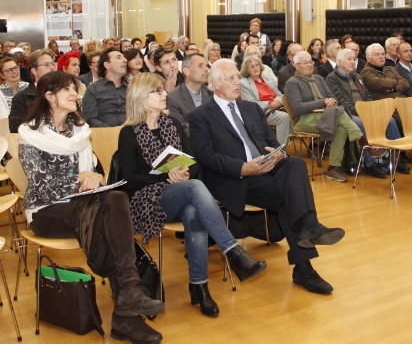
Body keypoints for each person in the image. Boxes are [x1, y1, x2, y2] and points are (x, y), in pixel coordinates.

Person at [17, 71, 164, 343]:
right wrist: (80, 178)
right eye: (67, 90)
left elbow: (95, 171)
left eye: (74, 88)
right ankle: (127, 311)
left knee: (115, 199)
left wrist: (93, 176)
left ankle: (129, 296)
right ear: (49, 96)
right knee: (105, 217)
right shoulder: (30, 134)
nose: (75, 93)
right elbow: (42, 187)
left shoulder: (79, 130)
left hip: (83, 206)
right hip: (46, 211)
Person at [188, 59, 345, 295]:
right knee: (289, 197)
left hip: (266, 168)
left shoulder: (250, 108)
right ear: (215, 84)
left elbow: (272, 142)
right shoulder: (201, 116)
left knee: (295, 163)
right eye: (230, 78)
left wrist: (278, 154)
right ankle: (305, 262)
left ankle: (309, 231)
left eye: (237, 77)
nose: (237, 82)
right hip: (236, 178)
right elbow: (207, 157)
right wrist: (243, 168)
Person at [118, 73, 266, 317]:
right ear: (141, 96)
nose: (164, 94)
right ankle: (232, 252)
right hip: (147, 200)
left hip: (181, 194)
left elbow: (195, 163)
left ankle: (200, 287)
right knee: (195, 188)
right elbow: (130, 178)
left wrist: (184, 172)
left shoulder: (173, 124)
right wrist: (167, 177)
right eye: (157, 91)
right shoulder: (129, 133)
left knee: (193, 211)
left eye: (163, 90)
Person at [285, 51, 363, 183]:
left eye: (311, 62)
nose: (309, 65)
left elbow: (332, 96)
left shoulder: (319, 79)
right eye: (305, 63)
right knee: (339, 113)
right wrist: (323, 102)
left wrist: (331, 101)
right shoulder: (292, 83)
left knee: (341, 128)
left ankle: (333, 168)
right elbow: (298, 107)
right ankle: (361, 138)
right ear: (296, 65)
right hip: (304, 119)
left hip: (326, 115)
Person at [325, 49, 402, 178]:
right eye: (349, 59)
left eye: (354, 59)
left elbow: (367, 95)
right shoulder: (332, 78)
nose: (352, 62)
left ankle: (395, 158)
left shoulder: (357, 76)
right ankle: (369, 163)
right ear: (339, 62)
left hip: (365, 110)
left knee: (391, 120)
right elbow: (340, 102)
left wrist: (370, 108)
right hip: (347, 113)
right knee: (360, 123)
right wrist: (362, 112)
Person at [239, 55, 293, 146]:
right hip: (262, 111)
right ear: (247, 70)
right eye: (252, 66)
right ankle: (280, 149)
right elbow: (250, 104)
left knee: (293, 113)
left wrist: (278, 101)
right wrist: (268, 104)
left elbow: (279, 94)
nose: (255, 68)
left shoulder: (267, 78)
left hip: (277, 107)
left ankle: (289, 145)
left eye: (257, 65)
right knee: (284, 117)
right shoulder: (244, 83)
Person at [8, 49, 56, 133]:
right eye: (46, 65)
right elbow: (16, 129)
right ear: (34, 71)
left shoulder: (62, 92)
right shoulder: (21, 98)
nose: (52, 68)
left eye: (53, 64)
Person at [166, 53, 213, 133]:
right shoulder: (173, 98)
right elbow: (181, 131)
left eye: (206, 66)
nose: (207, 69)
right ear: (186, 71)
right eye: (200, 66)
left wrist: (193, 125)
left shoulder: (212, 94)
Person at [82, 48, 128, 127]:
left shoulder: (131, 89)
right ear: (107, 65)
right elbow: (90, 118)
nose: (125, 60)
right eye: (118, 57)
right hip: (103, 132)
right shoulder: (93, 89)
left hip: (128, 131)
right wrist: (110, 131)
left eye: (124, 57)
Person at [0, 56, 29, 120]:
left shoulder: (28, 86)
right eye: (9, 70)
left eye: (16, 68)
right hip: (9, 125)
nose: (14, 71)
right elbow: (4, 119)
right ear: (2, 75)